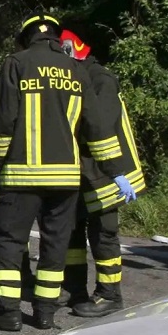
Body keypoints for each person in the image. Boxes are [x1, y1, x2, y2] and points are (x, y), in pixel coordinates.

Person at [0, 13, 134, 332]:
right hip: (66, 181)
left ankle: (6, 310)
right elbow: (97, 127)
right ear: (58, 39)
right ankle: (45, 313)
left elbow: (1, 120)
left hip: (23, 177)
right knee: (55, 244)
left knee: (9, 240)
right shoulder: (77, 70)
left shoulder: (16, 63)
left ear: (27, 37)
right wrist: (115, 171)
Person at [58, 29, 147, 318]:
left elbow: (102, 125)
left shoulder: (100, 78)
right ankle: (74, 288)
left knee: (103, 234)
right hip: (82, 172)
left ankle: (110, 295)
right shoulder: (73, 77)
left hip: (108, 173)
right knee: (72, 230)